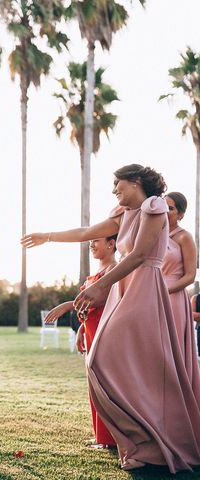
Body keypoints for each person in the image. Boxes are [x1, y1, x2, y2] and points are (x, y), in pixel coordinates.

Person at [22, 164, 200, 473]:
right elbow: (87, 233)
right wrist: (48, 236)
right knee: (102, 361)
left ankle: (157, 438)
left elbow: (139, 255)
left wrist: (101, 284)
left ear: (134, 182)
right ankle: (143, 442)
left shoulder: (154, 207)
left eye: (118, 185)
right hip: (124, 289)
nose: (114, 190)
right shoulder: (123, 211)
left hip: (145, 289)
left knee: (105, 360)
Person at [44, 236, 117, 449]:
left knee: (105, 384)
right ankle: (100, 436)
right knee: (93, 384)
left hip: (106, 332)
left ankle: (110, 439)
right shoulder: (96, 271)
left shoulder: (115, 268)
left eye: (97, 240)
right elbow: (88, 309)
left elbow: (102, 300)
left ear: (111, 244)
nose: (91, 245)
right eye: (90, 241)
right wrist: (82, 330)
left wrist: (68, 305)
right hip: (91, 330)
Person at [163, 192, 199, 377]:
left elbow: (190, 276)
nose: (165, 211)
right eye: (163, 206)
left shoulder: (184, 237)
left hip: (173, 297)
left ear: (181, 214)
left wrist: (164, 290)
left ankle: (177, 395)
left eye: (170, 208)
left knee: (172, 347)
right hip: (150, 294)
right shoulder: (153, 235)